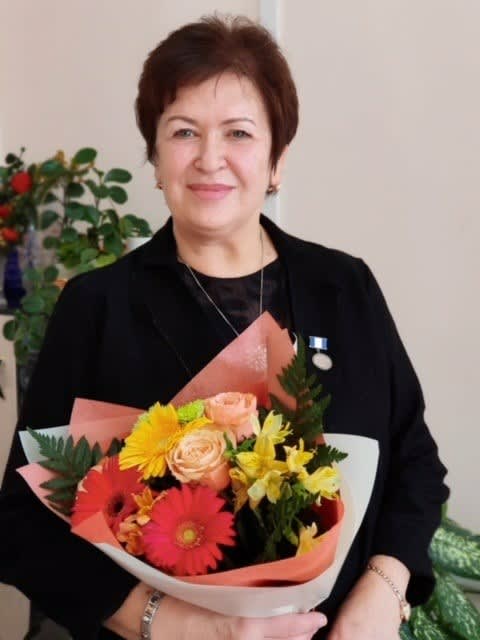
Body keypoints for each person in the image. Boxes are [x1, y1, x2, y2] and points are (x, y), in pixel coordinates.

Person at [0, 14, 449, 640]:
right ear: (156, 159)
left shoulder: (345, 287)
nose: (210, 159)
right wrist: (184, 626)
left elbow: (415, 463)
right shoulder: (97, 307)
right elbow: (25, 526)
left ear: (276, 159)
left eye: (238, 133)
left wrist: (384, 588)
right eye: (184, 132)